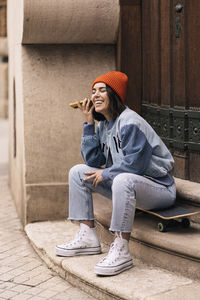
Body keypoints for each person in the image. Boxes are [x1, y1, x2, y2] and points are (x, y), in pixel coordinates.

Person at [55, 71, 176, 276]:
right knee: (78, 172)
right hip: (126, 184)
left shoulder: (130, 122)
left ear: (115, 94)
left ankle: (121, 248)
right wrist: (89, 124)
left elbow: (135, 165)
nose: (96, 95)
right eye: (93, 91)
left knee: (121, 178)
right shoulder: (104, 124)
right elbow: (93, 162)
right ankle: (87, 236)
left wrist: (107, 173)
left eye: (102, 90)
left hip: (159, 188)